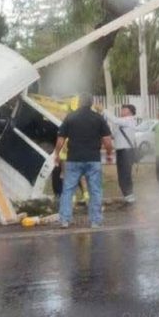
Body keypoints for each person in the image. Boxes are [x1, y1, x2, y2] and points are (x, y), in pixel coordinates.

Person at [53, 94, 114, 228]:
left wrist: (57, 154)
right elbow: (108, 141)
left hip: (73, 159)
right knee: (95, 190)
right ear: (91, 103)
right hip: (93, 160)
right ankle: (95, 221)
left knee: (68, 190)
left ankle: (64, 220)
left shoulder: (70, 117)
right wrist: (109, 154)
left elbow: (60, 140)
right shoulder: (98, 118)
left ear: (79, 103)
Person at [107, 103, 138, 203]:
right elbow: (113, 136)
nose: (121, 110)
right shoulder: (121, 122)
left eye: (124, 109)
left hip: (127, 151)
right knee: (122, 176)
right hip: (121, 151)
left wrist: (104, 110)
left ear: (130, 112)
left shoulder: (129, 120)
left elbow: (115, 119)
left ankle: (130, 198)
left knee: (125, 175)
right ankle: (128, 197)